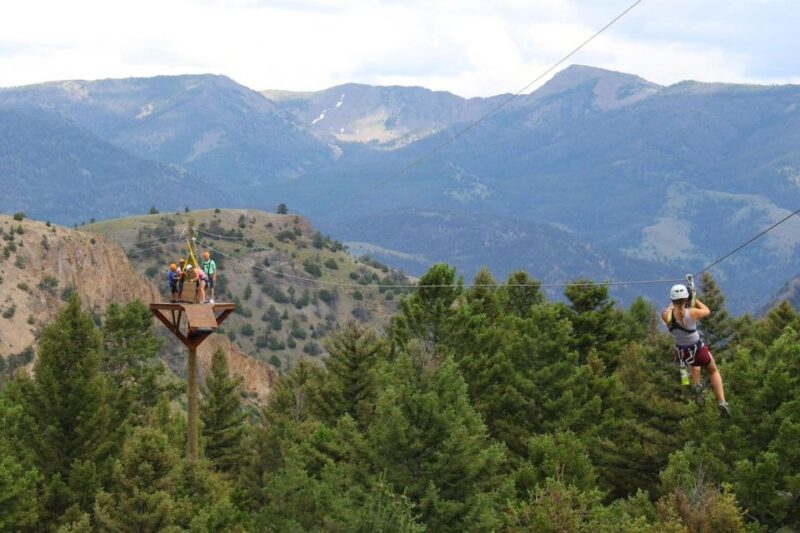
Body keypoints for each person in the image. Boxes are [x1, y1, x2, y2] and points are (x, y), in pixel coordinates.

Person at [662, 284, 731, 418]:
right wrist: (695, 297)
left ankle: (697, 384)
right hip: (698, 350)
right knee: (713, 371)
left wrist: (681, 300)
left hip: (682, 354)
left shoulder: (666, 315)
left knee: (694, 362)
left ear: (672, 300)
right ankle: (722, 402)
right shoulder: (692, 313)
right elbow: (707, 310)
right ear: (686, 298)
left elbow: (670, 309)